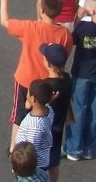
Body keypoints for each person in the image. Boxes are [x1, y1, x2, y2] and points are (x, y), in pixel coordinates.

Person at [0, 0, 72, 153]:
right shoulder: (65, 34)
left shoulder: (30, 28)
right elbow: (63, 55)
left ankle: (13, 149)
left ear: (42, 10)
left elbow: (5, 21)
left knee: (19, 115)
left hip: (25, 79)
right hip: (48, 84)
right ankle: (42, 147)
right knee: (45, 115)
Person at [62, 0, 96, 162]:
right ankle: (89, 148)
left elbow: (72, 37)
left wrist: (79, 16)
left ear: (91, 12)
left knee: (78, 110)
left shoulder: (84, 28)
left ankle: (74, 148)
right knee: (95, 111)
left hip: (83, 73)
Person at [40, 44, 72, 182]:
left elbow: (39, 106)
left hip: (45, 129)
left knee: (40, 162)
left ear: (48, 63)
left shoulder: (46, 85)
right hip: (58, 127)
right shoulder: (67, 78)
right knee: (54, 161)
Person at [15, 80, 54, 174]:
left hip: (32, 166)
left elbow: (30, 150)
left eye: (28, 92)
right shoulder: (49, 111)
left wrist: (20, 166)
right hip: (42, 160)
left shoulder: (34, 127)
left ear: (33, 99)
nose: (26, 93)